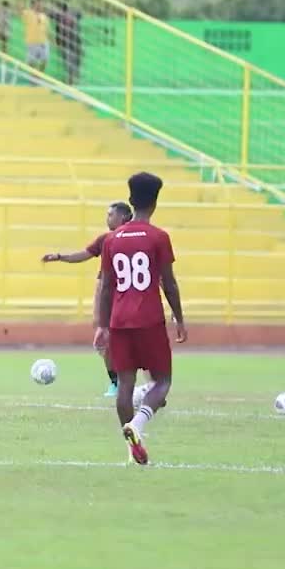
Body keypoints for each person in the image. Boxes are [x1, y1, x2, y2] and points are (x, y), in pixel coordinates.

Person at [93, 173, 186, 466]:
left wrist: (102, 325)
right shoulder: (159, 237)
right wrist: (179, 318)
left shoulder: (112, 239)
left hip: (120, 320)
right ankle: (139, 426)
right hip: (149, 319)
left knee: (125, 383)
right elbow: (168, 283)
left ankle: (131, 449)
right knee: (162, 381)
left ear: (131, 200)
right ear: (155, 202)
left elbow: (106, 286)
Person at [42, 201, 134, 398]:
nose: (107, 218)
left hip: (132, 297)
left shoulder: (138, 239)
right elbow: (84, 254)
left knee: (133, 341)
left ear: (124, 217)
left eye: (111, 215)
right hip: (110, 296)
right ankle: (115, 382)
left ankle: (141, 382)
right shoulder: (106, 239)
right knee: (106, 343)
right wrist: (60, 257)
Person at [22, 0, 49, 73]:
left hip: (43, 42)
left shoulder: (44, 16)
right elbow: (19, 9)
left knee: (45, 59)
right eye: (38, 3)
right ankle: (33, 78)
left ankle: (40, 75)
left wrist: (49, 39)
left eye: (41, 3)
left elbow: (46, 29)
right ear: (33, 4)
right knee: (31, 62)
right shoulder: (28, 13)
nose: (40, 5)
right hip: (32, 42)